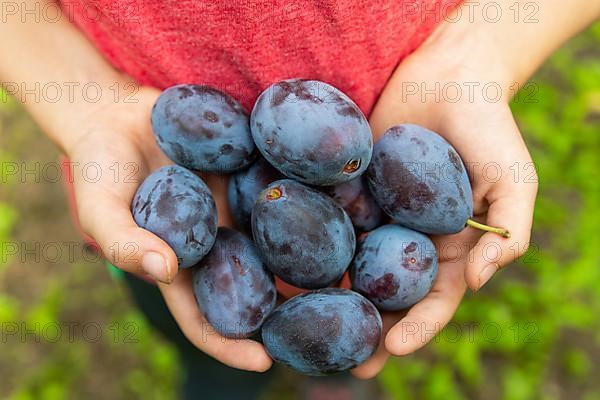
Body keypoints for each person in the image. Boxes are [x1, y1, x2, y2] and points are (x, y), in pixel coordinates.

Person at [1, 0, 598, 398]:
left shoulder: (362, 166)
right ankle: (225, 381)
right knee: (208, 323)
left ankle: (327, 376)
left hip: (386, 164)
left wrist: (482, 50)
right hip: (159, 168)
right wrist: (86, 105)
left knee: (343, 333)